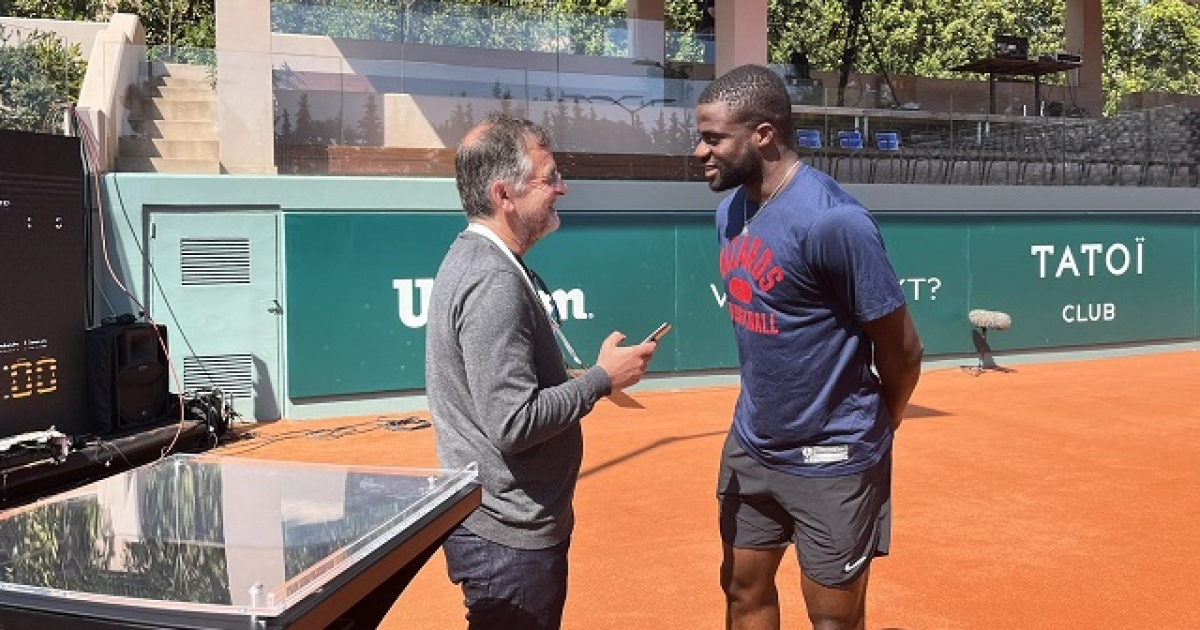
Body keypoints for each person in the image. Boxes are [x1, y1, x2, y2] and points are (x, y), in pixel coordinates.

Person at [693, 64, 924, 630]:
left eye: (714, 138)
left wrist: (881, 421)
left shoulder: (835, 222)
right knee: (741, 593)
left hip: (832, 456)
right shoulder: (730, 211)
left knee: (833, 621)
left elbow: (903, 351)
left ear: (763, 135)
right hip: (752, 444)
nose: (700, 151)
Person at [426, 112, 659, 630]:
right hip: (508, 539)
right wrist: (600, 379)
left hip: (506, 528)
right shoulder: (492, 280)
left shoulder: (483, 261)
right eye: (549, 178)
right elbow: (513, 422)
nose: (562, 188)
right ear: (503, 194)